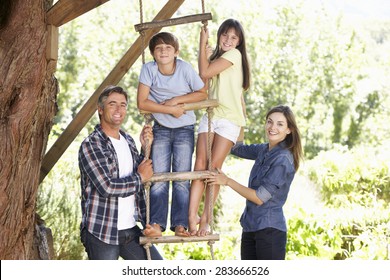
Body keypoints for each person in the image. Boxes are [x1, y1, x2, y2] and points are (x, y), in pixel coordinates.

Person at [207, 105, 303, 260]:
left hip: (270, 231)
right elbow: (237, 148)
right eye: (269, 122)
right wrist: (240, 117)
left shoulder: (283, 159)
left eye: (280, 124)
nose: (272, 127)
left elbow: (259, 197)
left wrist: (227, 181)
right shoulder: (264, 150)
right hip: (250, 227)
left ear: (289, 129)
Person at [78, 85, 163, 260]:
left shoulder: (127, 140)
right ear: (100, 110)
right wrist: (140, 177)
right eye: (112, 104)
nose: (119, 109)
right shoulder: (92, 145)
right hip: (101, 230)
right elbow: (107, 187)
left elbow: (141, 173)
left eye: (123, 105)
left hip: (130, 229)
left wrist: (145, 147)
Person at [137, 32, 207, 237]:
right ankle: (157, 223)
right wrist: (170, 110)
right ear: (152, 54)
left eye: (168, 47)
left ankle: (180, 224)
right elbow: (142, 102)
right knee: (158, 178)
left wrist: (176, 100)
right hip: (160, 128)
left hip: (185, 129)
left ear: (176, 52)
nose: (163, 51)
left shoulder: (184, 68)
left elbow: (202, 93)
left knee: (182, 178)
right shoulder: (148, 69)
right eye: (158, 48)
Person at [188, 18, 251, 236]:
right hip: (211, 116)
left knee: (213, 168)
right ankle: (191, 218)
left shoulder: (234, 55)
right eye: (225, 35)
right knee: (200, 164)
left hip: (229, 119)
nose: (228, 40)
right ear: (220, 35)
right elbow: (203, 85)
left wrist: (201, 42)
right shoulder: (216, 59)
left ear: (239, 42)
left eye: (234, 37)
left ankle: (206, 220)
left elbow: (205, 73)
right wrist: (205, 56)